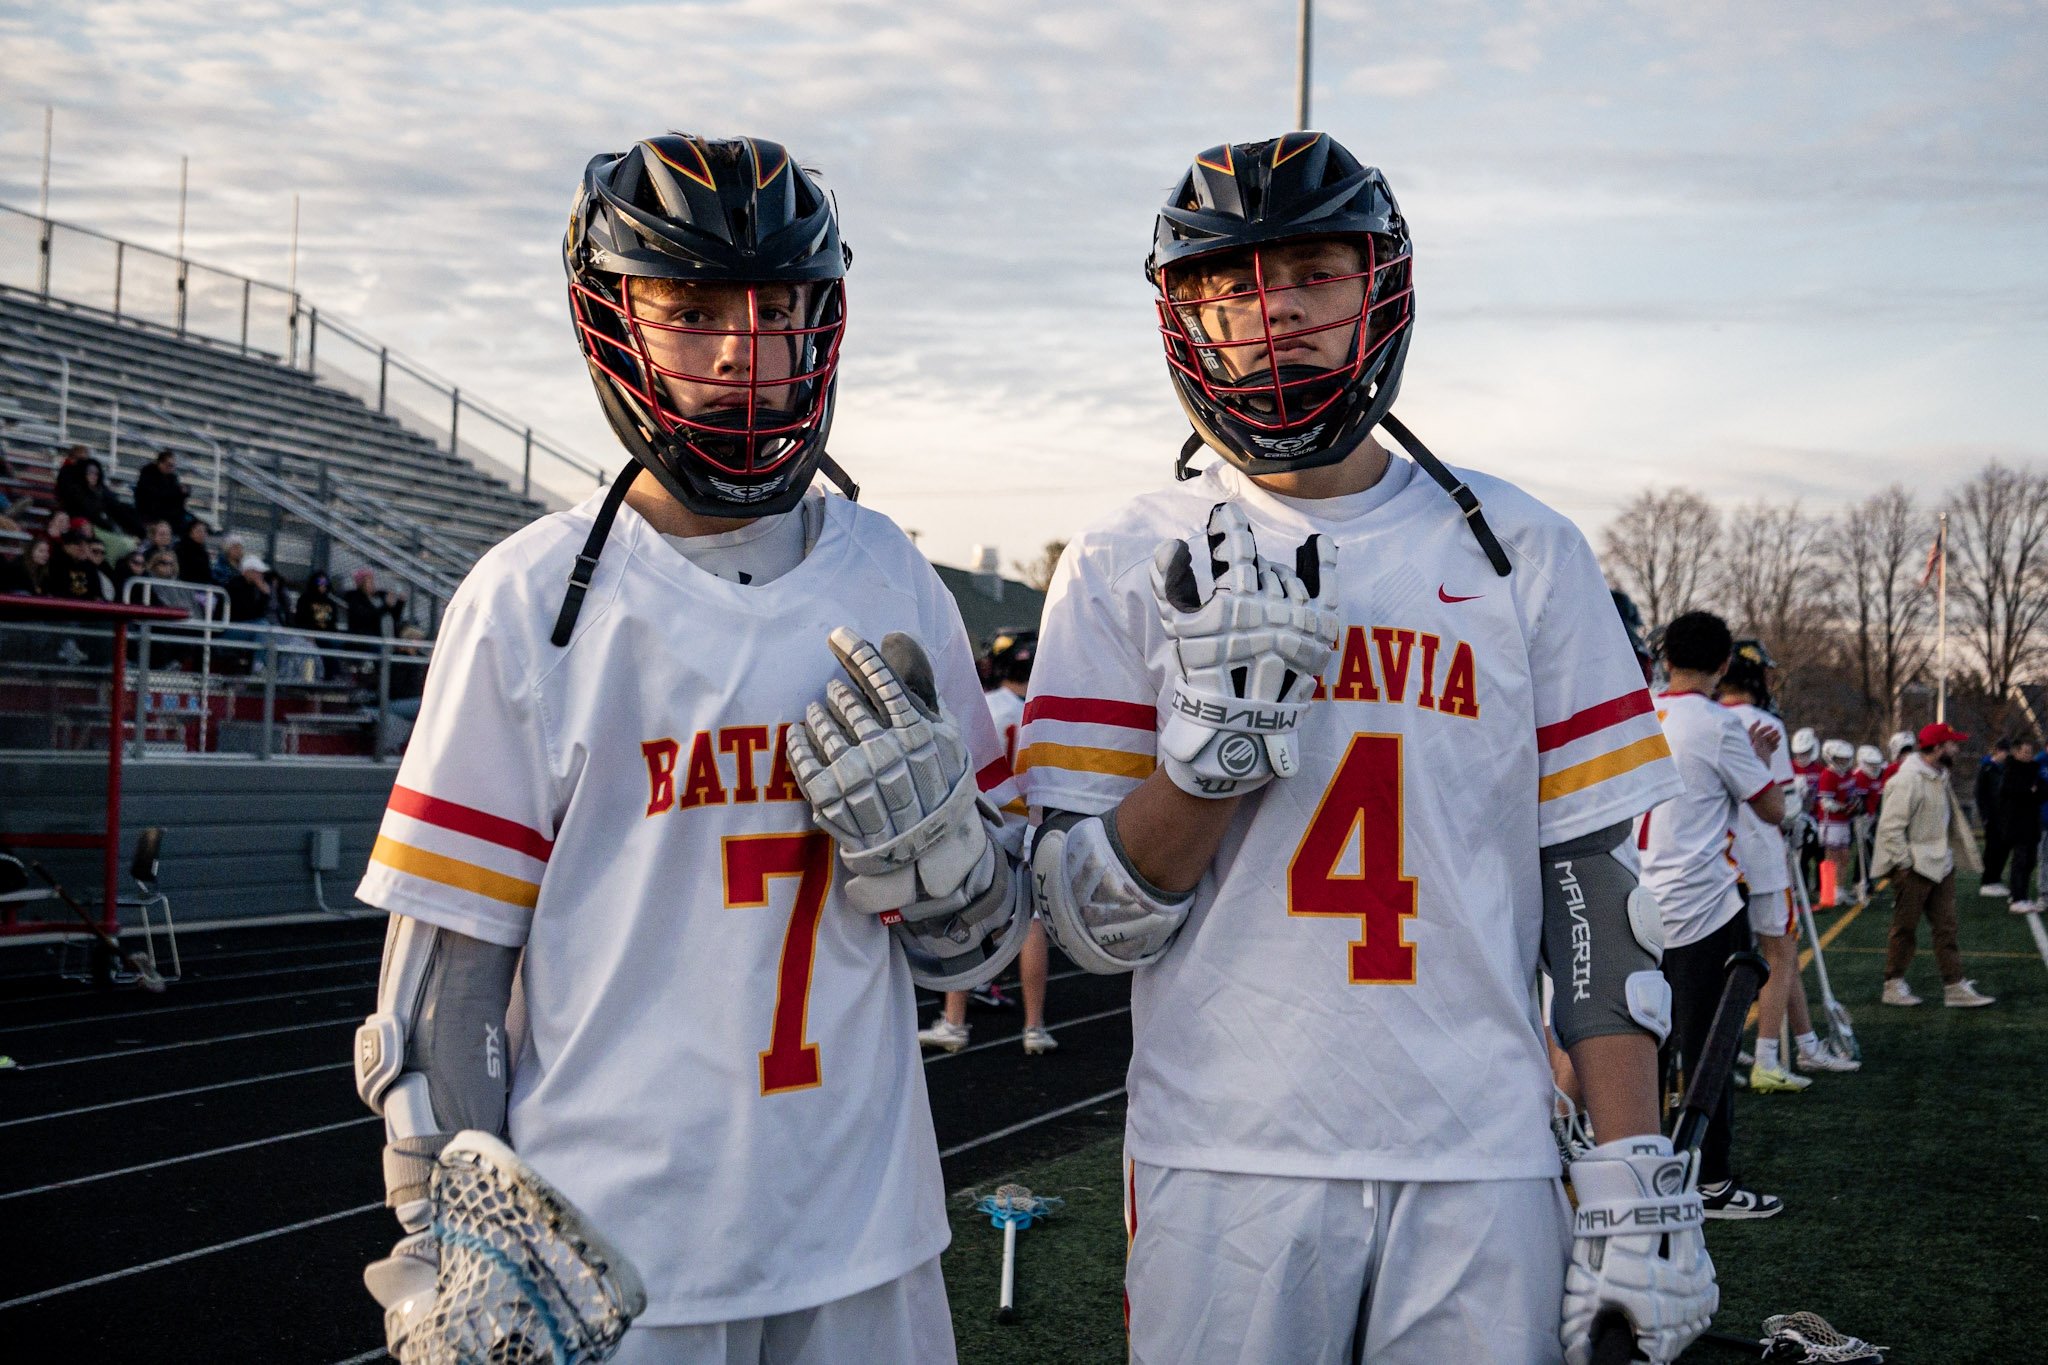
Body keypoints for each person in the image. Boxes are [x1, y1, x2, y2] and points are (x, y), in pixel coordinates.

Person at [1023, 134, 1708, 1365]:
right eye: (1226, 283)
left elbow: (1592, 890)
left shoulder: (1520, 548)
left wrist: (1631, 1168)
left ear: (1377, 287)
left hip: (1480, 1148)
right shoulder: (1129, 556)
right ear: (1182, 316)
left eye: (1312, 270)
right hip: (1225, 1151)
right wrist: (1202, 774)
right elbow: (1086, 927)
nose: (1272, 306)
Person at [351, 136, 1033, 1365]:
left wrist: (949, 862)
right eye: (692, 308)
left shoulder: (890, 573)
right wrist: (445, 1238)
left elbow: (976, 942)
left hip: (866, 1225)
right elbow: (441, 995)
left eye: (776, 310)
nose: (739, 348)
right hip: (612, 1258)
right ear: (614, 320)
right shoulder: (533, 597)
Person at [1641, 612, 1785, 1218]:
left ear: (1666, 657)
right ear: (1725, 664)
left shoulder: (1639, 710)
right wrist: (1752, 759)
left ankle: (1637, 1166)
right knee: (1710, 1049)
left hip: (1637, 900)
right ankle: (1711, 1179)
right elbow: (1773, 808)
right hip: (1701, 904)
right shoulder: (1719, 724)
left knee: (1642, 1042)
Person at [1716, 641, 1858, 1092]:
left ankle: (1806, 1043)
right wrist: (1799, 826)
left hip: (1714, 860)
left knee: (1759, 956)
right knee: (1778, 954)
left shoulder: (1701, 719)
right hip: (1760, 857)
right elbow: (1781, 802)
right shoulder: (1763, 724)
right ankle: (1767, 1057)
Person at [918, 628, 1056, 1055]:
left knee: (967, 915)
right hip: (1033, 817)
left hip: (987, 817)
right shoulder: (1041, 711)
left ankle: (955, 1022)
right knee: (1032, 922)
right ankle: (1034, 1026)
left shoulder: (989, 707)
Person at [1872, 722, 1994, 1006]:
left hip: (1941, 865)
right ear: (1937, 748)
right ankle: (1893, 984)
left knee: (1947, 929)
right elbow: (1890, 828)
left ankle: (1954, 986)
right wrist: (1905, 863)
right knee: (1905, 928)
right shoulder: (1908, 780)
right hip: (1915, 868)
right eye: (1952, 744)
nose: (1957, 748)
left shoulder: (1940, 775)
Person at [1997, 737, 2046, 913]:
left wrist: (2032, 791)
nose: (2028, 756)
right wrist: (2029, 791)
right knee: (2021, 859)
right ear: (2016, 752)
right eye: (2025, 752)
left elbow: (2041, 791)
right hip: (2017, 823)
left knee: (2030, 860)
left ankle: (2021, 894)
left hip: (2032, 822)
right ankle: (2017, 897)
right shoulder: (2010, 770)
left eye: (2030, 752)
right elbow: (2014, 793)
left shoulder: (2033, 769)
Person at [1814, 738, 1859, 904]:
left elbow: (1852, 794)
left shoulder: (1848, 774)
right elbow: (1826, 803)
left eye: (1846, 758)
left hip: (1844, 822)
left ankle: (1839, 890)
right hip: (1831, 823)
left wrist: (1855, 805)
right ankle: (1827, 893)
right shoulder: (1828, 775)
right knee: (1832, 856)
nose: (1844, 762)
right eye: (1841, 759)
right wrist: (1843, 807)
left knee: (1845, 856)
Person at [1977, 736, 2011, 897]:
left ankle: (1996, 879)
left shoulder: (2004, 769)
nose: (2006, 755)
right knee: (1992, 849)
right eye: (2005, 751)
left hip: (2004, 817)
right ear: (1998, 751)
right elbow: (1980, 794)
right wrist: (1984, 815)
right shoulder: (1987, 769)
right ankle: (1987, 881)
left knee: (2003, 849)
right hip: (1992, 817)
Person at [132, 447, 191, 530]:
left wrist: (183, 492)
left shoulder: (171, 477)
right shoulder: (148, 474)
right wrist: (177, 491)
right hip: (151, 512)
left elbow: (174, 493)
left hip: (168, 514)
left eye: (173, 466)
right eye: (169, 465)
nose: (171, 468)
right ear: (160, 463)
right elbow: (155, 494)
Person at [175, 519, 215, 586]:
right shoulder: (181, 549)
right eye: (199, 531)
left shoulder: (202, 551)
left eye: (204, 531)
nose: (202, 534)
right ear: (190, 532)